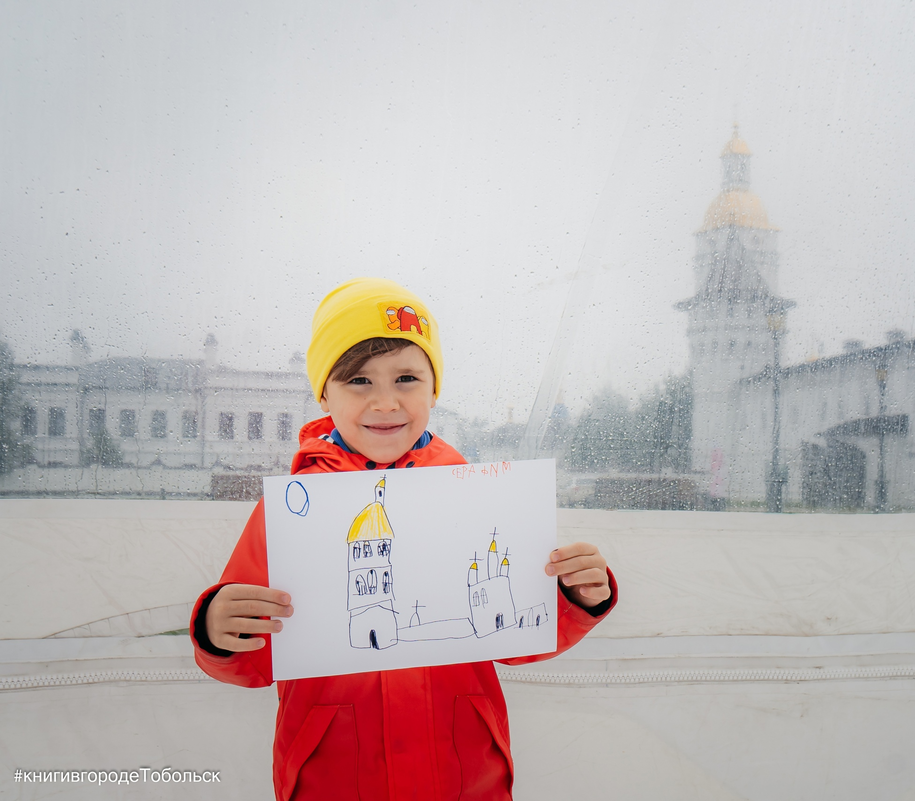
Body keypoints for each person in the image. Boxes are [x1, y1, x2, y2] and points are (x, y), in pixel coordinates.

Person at [189, 277, 616, 801]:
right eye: (359, 382)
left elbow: (512, 632)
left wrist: (572, 598)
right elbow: (254, 660)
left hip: (465, 776)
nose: (386, 402)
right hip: (334, 779)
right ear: (324, 393)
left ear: (435, 388)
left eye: (408, 378)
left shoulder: (479, 501)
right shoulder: (293, 511)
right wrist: (216, 627)